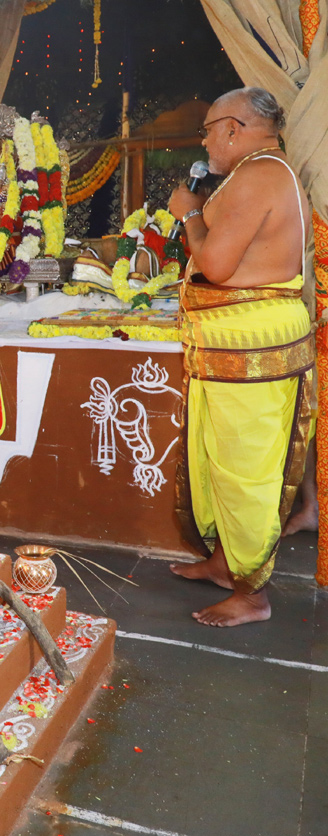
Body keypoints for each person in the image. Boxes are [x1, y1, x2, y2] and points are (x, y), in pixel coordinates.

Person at [167, 86, 313, 627]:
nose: (204, 138)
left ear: (234, 128)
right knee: (218, 463)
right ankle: (227, 563)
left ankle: (251, 594)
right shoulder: (262, 171)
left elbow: (218, 265)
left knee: (243, 470)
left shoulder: (258, 176)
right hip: (233, 349)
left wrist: (188, 214)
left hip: (249, 352)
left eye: (208, 128)